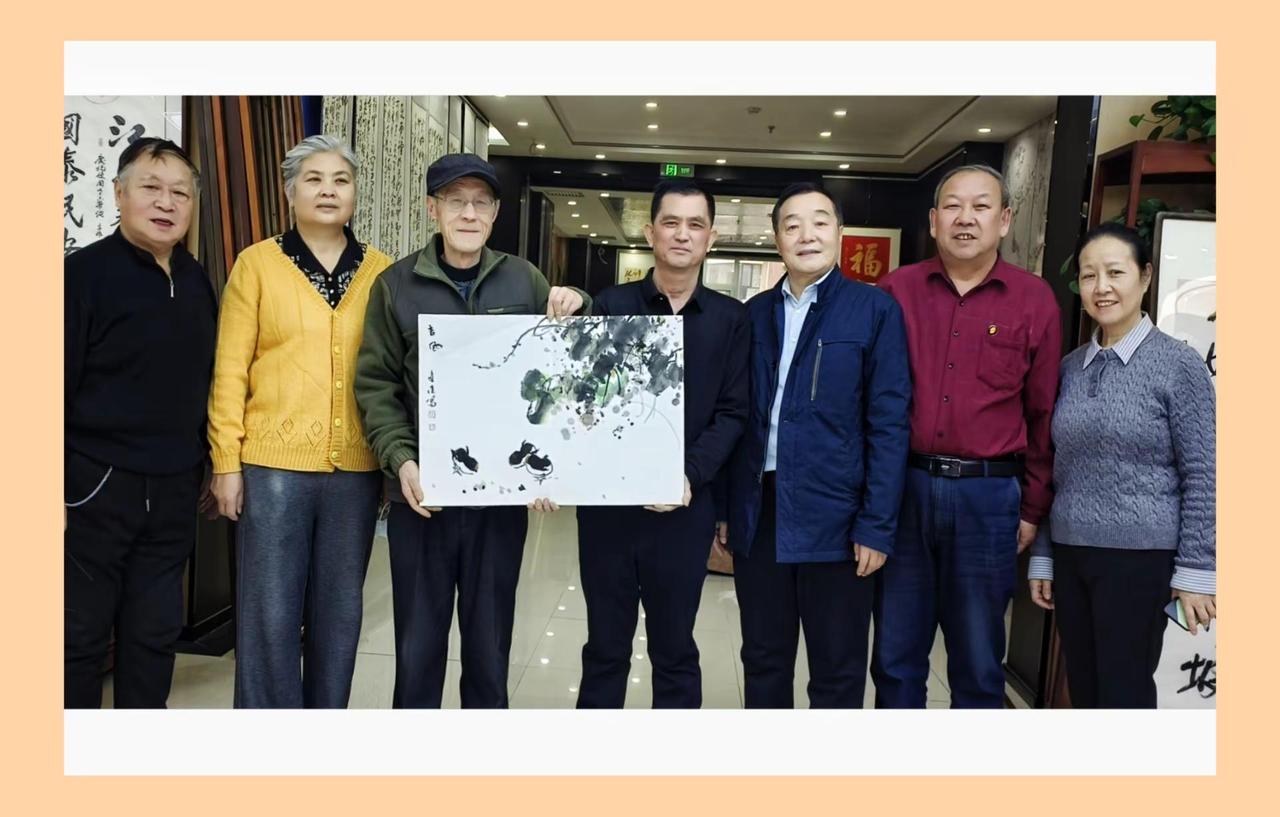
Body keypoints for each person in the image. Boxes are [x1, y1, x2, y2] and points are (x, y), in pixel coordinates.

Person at [355, 153, 590, 708]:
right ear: (432, 209)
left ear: (495, 213)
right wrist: (402, 460)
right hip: (424, 498)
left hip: (499, 502)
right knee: (417, 649)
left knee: (489, 646)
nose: (468, 213)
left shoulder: (524, 279)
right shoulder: (396, 285)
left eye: (481, 202)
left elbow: (562, 368)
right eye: (455, 201)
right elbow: (376, 385)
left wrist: (581, 302)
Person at [207, 135, 393, 708]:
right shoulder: (257, 264)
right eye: (314, 179)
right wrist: (226, 463)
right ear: (290, 192)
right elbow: (230, 369)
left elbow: (395, 372)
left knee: (340, 613)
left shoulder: (383, 272)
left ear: (355, 193)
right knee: (270, 614)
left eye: (341, 179)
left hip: (356, 470)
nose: (328, 190)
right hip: (272, 469)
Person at [873, 164, 1062, 709]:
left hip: (988, 496)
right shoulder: (895, 291)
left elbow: (1043, 413)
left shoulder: (1033, 300)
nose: (966, 218)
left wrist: (1031, 507)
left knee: (979, 660)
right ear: (934, 220)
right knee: (895, 656)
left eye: (981, 206)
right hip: (904, 490)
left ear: (1004, 220)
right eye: (953, 206)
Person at [726, 182, 911, 708]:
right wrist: (727, 511)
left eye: (820, 222)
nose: (807, 235)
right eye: (792, 225)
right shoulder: (754, 313)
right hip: (761, 512)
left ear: (840, 233)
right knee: (763, 658)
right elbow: (738, 417)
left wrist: (876, 525)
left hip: (839, 517)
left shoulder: (874, 310)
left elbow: (889, 424)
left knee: (837, 668)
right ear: (777, 239)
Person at [575, 180, 748, 708]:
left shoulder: (730, 319)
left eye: (696, 225)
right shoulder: (610, 305)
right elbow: (583, 401)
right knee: (605, 648)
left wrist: (688, 475)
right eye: (671, 222)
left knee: (675, 650)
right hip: (608, 510)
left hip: (684, 511)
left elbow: (733, 413)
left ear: (711, 238)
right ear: (650, 233)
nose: (682, 234)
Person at [1028, 222, 1216, 708]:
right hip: (1072, 554)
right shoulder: (1070, 368)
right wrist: (1045, 554)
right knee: (1085, 689)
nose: (1101, 287)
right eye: (1089, 275)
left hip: (1140, 560)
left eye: (1115, 272)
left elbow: (1204, 474)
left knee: (1124, 694)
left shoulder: (1178, 365)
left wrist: (1197, 570)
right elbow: (1055, 470)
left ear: (1145, 276)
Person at [65, 138, 217, 708]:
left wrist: (208, 461)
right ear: (118, 193)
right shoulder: (81, 275)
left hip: (175, 488)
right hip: (94, 485)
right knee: (78, 636)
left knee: (154, 635)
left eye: (180, 193)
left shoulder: (196, 279)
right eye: (151, 188)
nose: (166, 203)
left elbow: (204, 382)